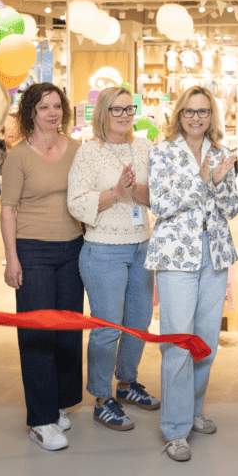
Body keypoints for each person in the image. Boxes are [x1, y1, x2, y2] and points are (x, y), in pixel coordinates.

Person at [145, 86, 238, 462]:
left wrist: (217, 183)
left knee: (206, 342)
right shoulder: (162, 151)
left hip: (214, 255)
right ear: (179, 114)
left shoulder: (221, 152)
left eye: (203, 111)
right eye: (189, 111)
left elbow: (232, 208)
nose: (196, 118)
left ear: (211, 115)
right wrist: (201, 181)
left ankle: (194, 410)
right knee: (178, 343)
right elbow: (160, 204)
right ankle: (175, 428)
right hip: (176, 257)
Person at [67, 86, 159, 433]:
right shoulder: (89, 152)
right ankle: (102, 398)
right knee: (107, 328)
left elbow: (159, 196)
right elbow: (76, 203)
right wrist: (116, 193)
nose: (124, 115)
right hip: (103, 249)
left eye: (129, 108)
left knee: (139, 323)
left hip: (142, 246)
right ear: (103, 113)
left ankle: (127, 383)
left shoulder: (145, 148)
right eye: (116, 109)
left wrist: (136, 191)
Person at [0, 83, 84, 452]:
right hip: (33, 250)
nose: (52, 113)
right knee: (37, 332)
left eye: (57, 106)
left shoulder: (76, 149)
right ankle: (40, 420)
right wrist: (12, 257)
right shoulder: (19, 156)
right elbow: (8, 210)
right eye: (44, 107)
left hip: (73, 248)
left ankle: (59, 402)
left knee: (68, 329)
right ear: (31, 112)